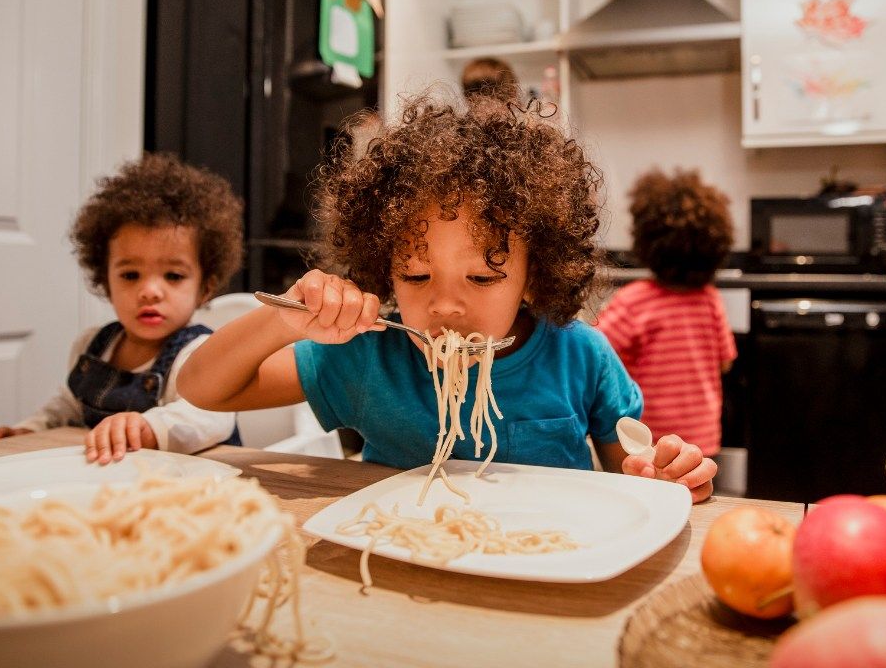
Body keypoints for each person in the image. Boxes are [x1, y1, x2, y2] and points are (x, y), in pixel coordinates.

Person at [179, 95, 718, 503]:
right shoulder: (367, 357)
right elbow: (203, 387)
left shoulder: (581, 357)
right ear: (383, 272)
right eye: (415, 276)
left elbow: (640, 480)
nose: (444, 306)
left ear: (534, 277)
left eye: (482, 279)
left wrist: (671, 476)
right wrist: (287, 321)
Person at [0, 153, 243, 465]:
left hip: (195, 488)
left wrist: (147, 427)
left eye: (173, 276)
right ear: (105, 282)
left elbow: (210, 418)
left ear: (205, 288)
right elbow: (68, 405)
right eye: (130, 275)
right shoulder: (93, 345)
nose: (149, 291)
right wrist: (31, 430)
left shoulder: (203, 352)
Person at [596, 168, 737, 458]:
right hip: (702, 442)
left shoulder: (635, 301)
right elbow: (725, 363)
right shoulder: (709, 300)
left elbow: (596, 358)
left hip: (649, 444)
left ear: (647, 242)